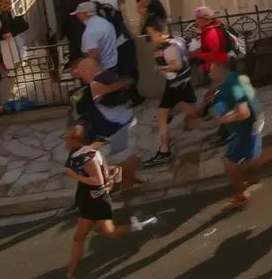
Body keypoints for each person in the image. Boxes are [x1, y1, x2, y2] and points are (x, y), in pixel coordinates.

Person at [62, 124, 156, 279]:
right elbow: (103, 172)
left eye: (68, 138)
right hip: (87, 201)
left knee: (110, 233)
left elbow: (97, 181)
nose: (65, 140)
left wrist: (73, 175)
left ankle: (135, 227)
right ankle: (70, 274)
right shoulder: (78, 152)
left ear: (76, 141)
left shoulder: (88, 159)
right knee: (78, 238)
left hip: (97, 202)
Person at [210, 54, 272, 209]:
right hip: (252, 122)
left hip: (247, 126)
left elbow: (243, 113)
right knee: (251, 161)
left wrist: (223, 119)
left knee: (230, 164)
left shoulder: (232, 85)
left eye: (212, 67)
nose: (209, 71)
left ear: (220, 66)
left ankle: (242, 195)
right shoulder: (236, 77)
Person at [70, 55, 139, 193]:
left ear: (93, 69)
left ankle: (127, 183)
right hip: (115, 122)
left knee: (120, 155)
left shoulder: (97, 83)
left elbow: (103, 90)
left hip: (115, 125)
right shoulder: (109, 75)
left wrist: (120, 84)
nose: (80, 73)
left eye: (83, 70)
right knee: (112, 155)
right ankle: (123, 181)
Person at [142, 19, 199, 168]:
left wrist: (161, 69)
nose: (150, 37)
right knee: (190, 110)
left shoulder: (168, 48)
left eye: (152, 34)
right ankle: (209, 113)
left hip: (176, 84)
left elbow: (176, 65)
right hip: (184, 81)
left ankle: (164, 150)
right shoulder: (176, 41)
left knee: (161, 114)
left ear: (163, 34)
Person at [0, 0, 28, 107]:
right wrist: (1, 35)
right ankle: (6, 101)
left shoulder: (13, 15)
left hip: (15, 47)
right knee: (6, 75)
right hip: (4, 50)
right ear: (0, 5)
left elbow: (24, 25)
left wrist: (12, 32)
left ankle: (14, 95)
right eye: (5, 4)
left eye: (9, 3)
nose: (8, 6)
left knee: (15, 72)